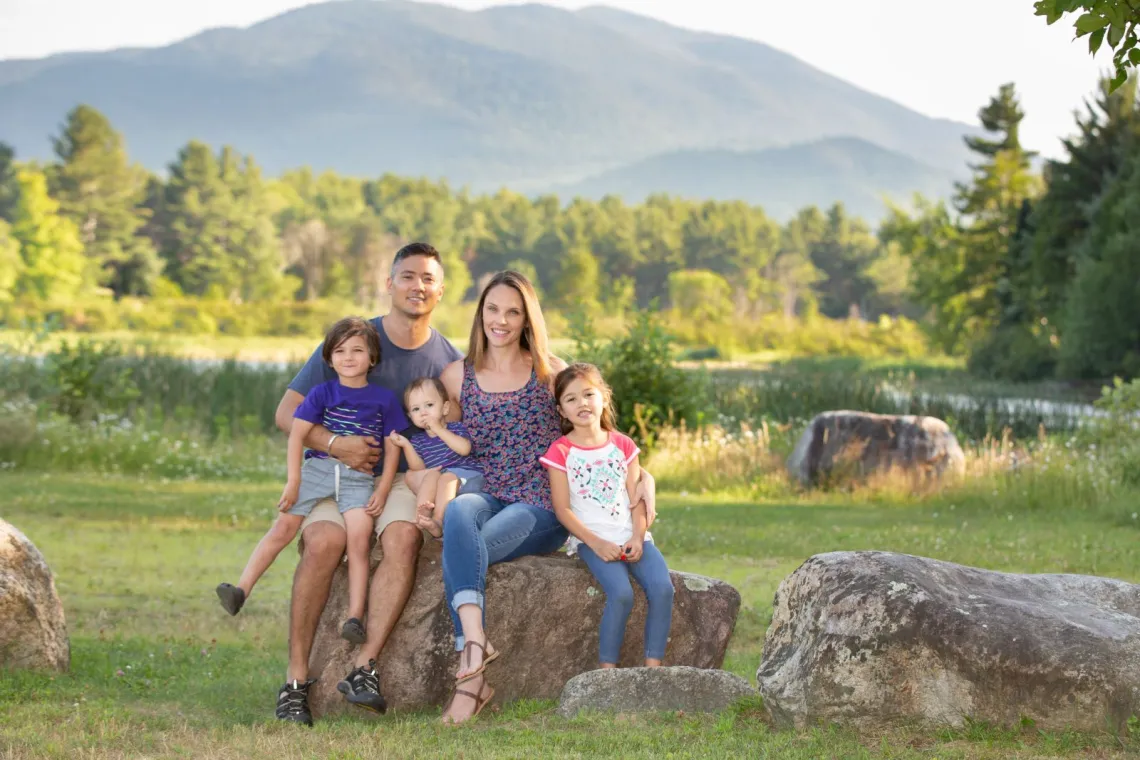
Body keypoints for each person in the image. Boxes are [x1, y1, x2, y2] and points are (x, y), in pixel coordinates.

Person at [435, 271, 659, 725]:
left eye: (513, 311)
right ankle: (474, 648)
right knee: (458, 512)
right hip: (489, 492)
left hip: (541, 505)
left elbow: (598, 438)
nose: (501, 320)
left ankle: (470, 679)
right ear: (480, 313)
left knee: (462, 549)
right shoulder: (457, 376)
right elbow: (446, 442)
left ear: (527, 319)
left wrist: (645, 477)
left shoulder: (549, 372)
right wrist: (427, 490)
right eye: (493, 309)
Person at [269, 242, 465, 726]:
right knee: (322, 542)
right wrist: (338, 445)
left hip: (401, 478)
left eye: (427, 279)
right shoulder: (353, 339)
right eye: (408, 276)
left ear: (440, 290)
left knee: (401, 538)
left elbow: (460, 427)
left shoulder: (449, 360)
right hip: (338, 473)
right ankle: (295, 681)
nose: (417, 286)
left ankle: (364, 667)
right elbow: (285, 413)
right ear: (390, 283)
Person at [216, 318, 405, 649]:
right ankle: (241, 589)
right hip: (318, 470)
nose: (348, 357)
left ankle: (355, 617)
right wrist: (293, 481)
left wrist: (384, 488)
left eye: (358, 350)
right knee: (283, 528)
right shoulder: (322, 392)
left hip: (358, 479)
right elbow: (297, 434)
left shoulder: (384, 399)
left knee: (359, 540)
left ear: (372, 358)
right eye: (340, 351)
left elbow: (392, 448)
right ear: (329, 358)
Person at [540, 362, 674, 670]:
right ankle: (607, 673)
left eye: (588, 394)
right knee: (622, 594)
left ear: (604, 397)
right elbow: (562, 509)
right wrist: (596, 543)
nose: (582, 403)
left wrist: (638, 536)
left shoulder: (623, 445)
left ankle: (654, 669)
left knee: (663, 588)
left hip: (631, 536)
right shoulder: (560, 451)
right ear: (561, 410)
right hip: (592, 541)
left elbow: (637, 497)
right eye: (571, 399)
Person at [388, 378, 482, 539]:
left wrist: (438, 429)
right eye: (416, 409)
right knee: (431, 475)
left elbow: (465, 449)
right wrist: (405, 445)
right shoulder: (418, 440)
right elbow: (418, 468)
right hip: (443, 484)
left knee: (447, 476)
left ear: (445, 408)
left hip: (470, 477)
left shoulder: (456, 428)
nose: (423, 412)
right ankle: (422, 515)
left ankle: (438, 521)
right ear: (410, 416)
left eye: (429, 405)